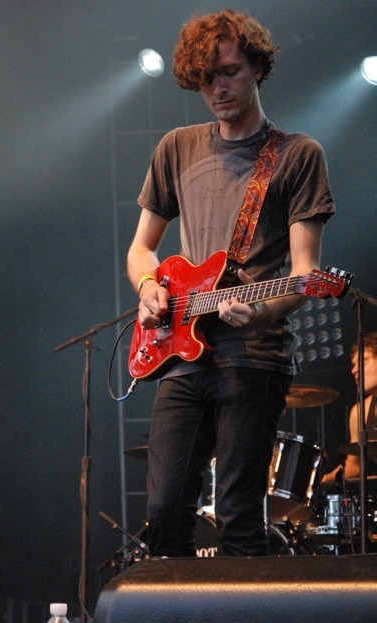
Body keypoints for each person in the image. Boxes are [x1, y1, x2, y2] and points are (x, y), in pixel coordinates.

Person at [127, 10, 335, 556]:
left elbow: (305, 274)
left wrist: (262, 311)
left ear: (257, 68)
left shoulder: (297, 155)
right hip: (181, 352)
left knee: (239, 516)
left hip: (254, 356)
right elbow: (141, 249)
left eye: (229, 72)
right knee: (164, 510)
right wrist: (149, 287)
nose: (217, 88)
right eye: (205, 79)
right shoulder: (176, 147)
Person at [321, 332, 377, 486]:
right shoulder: (360, 412)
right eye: (353, 364)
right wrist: (323, 480)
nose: (354, 370)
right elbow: (354, 465)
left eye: (363, 361)